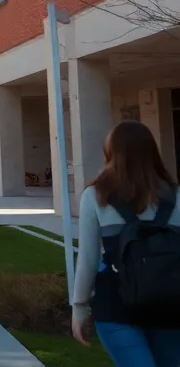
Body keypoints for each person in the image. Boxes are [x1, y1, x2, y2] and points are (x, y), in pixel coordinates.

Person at [72, 120, 180, 365]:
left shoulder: (96, 196)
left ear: (112, 154)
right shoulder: (176, 196)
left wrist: (79, 307)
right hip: (170, 302)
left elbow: (88, 259)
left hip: (115, 305)